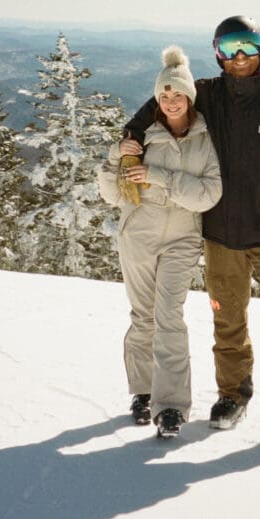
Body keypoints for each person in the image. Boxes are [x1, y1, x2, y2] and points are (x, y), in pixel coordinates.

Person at [121, 16, 260, 452]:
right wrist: (127, 144)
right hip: (221, 238)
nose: (239, 56)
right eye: (229, 47)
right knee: (227, 324)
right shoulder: (207, 95)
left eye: (247, 45)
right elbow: (154, 109)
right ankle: (232, 397)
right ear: (216, 52)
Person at [97, 46, 222, 439]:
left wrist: (159, 177)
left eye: (177, 95)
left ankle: (171, 407)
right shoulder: (141, 138)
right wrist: (115, 157)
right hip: (138, 236)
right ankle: (143, 392)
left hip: (183, 238)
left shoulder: (207, 138)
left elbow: (209, 194)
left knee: (169, 316)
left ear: (190, 97)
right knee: (143, 317)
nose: (170, 102)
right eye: (164, 96)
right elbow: (110, 194)